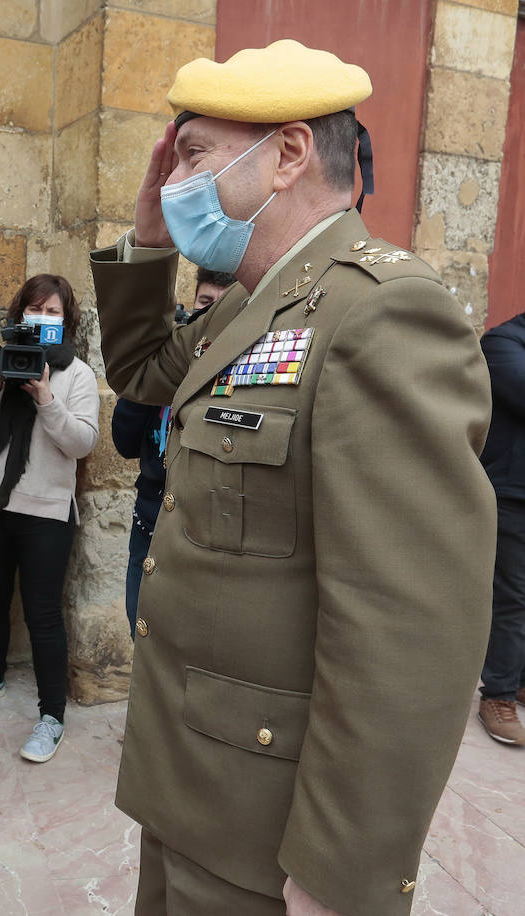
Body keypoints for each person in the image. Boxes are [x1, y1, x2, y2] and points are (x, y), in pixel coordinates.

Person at [88, 40, 495, 915]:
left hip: (271, 841)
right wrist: (150, 242)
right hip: (194, 785)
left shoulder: (381, 312)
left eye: (193, 155)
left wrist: (340, 876)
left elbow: (406, 629)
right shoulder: (256, 298)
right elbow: (145, 374)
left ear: (286, 154)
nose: (175, 177)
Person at [0, 274, 99, 763]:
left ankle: (51, 716)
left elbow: (82, 442)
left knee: (42, 614)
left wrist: (44, 397)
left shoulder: (75, 373)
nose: (41, 319)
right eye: (33, 309)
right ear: (19, 314)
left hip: (45, 511)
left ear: (67, 320)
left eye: (52, 312)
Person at [110, 267, 233, 638]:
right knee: (140, 629)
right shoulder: (173, 360)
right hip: (148, 522)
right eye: (204, 303)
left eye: (222, 307)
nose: (209, 314)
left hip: (202, 530)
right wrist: (150, 381)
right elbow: (125, 443)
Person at [478, 308, 525, 745]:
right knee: (512, 598)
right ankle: (498, 694)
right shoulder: (503, 344)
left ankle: (519, 679)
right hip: (512, 495)